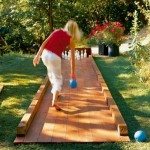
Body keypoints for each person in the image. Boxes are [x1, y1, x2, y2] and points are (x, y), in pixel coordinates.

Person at [33, 20, 81, 110]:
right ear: (75, 30)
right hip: (54, 57)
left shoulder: (57, 31)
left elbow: (44, 43)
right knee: (58, 79)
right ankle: (54, 101)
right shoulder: (71, 39)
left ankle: (55, 92)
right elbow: (72, 59)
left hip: (45, 54)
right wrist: (73, 73)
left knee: (51, 73)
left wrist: (37, 56)